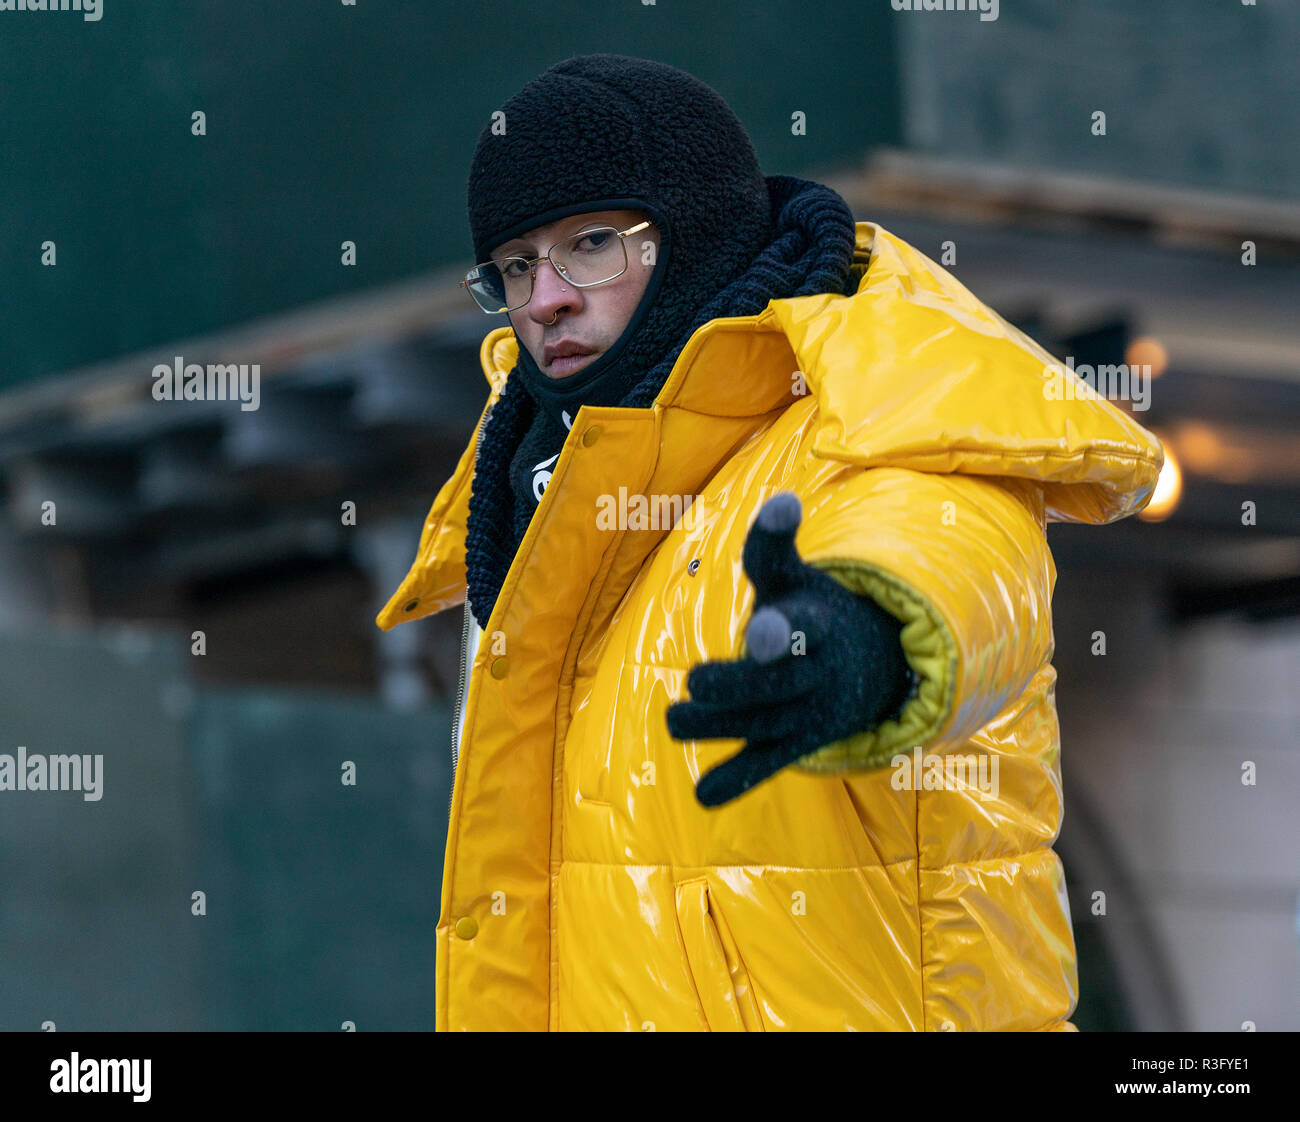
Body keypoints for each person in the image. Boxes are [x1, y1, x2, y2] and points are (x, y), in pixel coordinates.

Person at [376, 53, 1163, 1031]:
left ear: (697, 234)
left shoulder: (872, 412)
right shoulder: (524, 513)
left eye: (590, 243)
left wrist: (866, 638)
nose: (547, 299)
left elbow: (955, 559)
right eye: (515, 265)